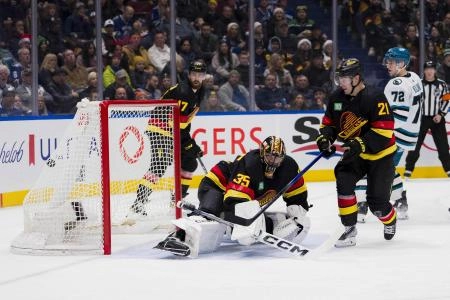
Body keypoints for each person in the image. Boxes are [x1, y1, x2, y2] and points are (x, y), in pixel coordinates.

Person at [155, 136, 311, 257]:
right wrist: (241, 224)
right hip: (216, 186)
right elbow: (235, 203)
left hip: (241, 197)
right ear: (263, 153)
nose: (274, 161)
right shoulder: (250, 165)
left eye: (278, 158)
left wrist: (297, 215)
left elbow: (298, 198)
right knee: (212, 214)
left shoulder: (289, 168)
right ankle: (180, 237)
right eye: (270, 156)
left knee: (284, 218)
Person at [316, 58, 397, 247]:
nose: (341, 82)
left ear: (357, 78)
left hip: (381, 155)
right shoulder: (337, 98)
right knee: (343, 179)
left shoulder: (375, 97)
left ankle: (390, 219)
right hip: (356, 153)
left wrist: (360, 143)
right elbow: (329, 124)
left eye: (344, 78)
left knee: (377, 205)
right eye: (339, 78)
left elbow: (384, 132)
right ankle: (349, 229)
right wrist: (325, 138)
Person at [124, 61, 207, 224]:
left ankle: (177, 200)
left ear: (204, 76)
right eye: (194, 74)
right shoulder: (183, 91)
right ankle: (138, 204)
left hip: (175, 129)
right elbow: (178, 123)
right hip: (159, 127)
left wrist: (189, 144)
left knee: (190, 162)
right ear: (189, 75)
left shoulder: (200, 91)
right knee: (160, 163)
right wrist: (189, 143)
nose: (197, 78)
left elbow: (184, 123)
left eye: (201, 75)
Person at [357, 47, 423, 221]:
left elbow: (398, 116)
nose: (388, 64)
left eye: (392, 62)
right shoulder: (414, 77)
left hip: (396, 135)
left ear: (402, 64)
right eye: (387, 61)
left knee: (367, 164)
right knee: (386, 169)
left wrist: (372, 125)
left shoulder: (396, 84)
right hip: (408, 135)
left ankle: (361, 206)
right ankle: (401, 201)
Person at [405, 61, 450, 179]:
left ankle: (448, 169)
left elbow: (446, 99)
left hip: (437, 119)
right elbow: (412, 100)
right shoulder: (417, 84)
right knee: (415, 145)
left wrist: (441, 114)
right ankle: (408, 169)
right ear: (424, 70)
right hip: (421, 119)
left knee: (443, 147)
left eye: (432, 69)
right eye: (427, 69)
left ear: (435, 70)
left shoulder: (442, 84)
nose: (429, 71)